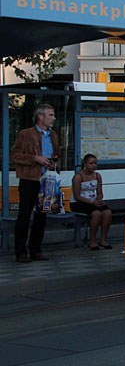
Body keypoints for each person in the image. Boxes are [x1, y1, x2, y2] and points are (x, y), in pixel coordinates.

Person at [10, 103, 60, 263]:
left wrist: (54, 163)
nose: (53, 118)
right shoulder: (25, 134)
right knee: (24, 216)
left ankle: (36, 250)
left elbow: (57, 154)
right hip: (29, 180)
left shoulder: (53, 135)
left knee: (42, 216)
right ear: (41, 117)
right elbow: (15, 155)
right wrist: (35, 158)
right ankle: (20, 252)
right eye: (50, 115)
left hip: (47, 180)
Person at [71, 153, 113, 250]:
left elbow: (99, 192)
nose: (94, 165)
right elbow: (77, 196)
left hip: (93, 201)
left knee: (107, 212)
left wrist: (99, 199)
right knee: (96, 214)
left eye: (95, 163)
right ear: (85, 164)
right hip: (79, 202)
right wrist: (91, 202)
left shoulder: (97, 176)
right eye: (91, 163)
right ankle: (92, 241)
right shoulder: (78, 177)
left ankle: (103, 239)